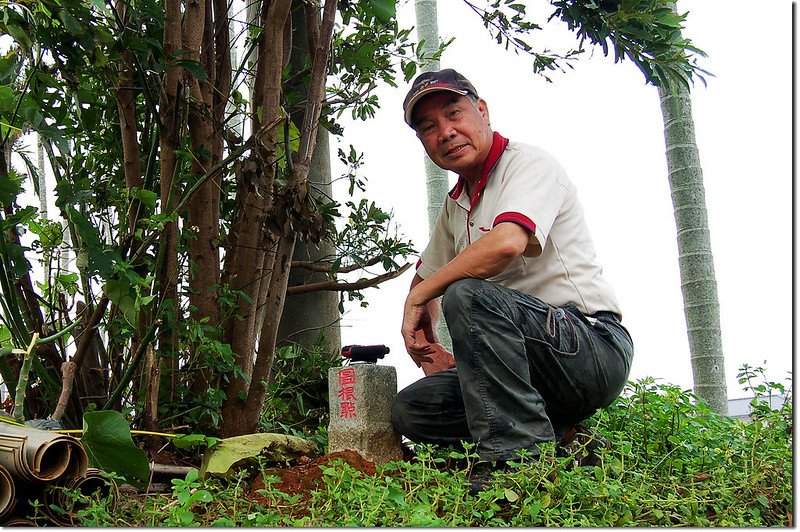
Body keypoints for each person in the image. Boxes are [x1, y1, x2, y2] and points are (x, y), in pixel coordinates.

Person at [391, 68, 634, 470]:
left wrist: (421, 296)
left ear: (482, 111)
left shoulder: (529, 165)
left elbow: (506, 244)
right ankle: (565, 439)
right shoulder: (456, 205)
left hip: (589, 348)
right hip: (519, 367)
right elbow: (425, 273)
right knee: (413, 409)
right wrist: (426, 345)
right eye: (429, 127)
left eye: (454, 114)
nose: (446, 132)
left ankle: (516, 466)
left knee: (467, 293)